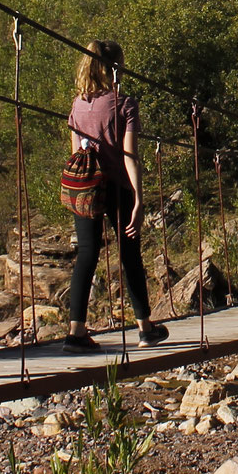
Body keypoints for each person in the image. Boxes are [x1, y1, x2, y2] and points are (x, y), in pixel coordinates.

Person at [62, 40, 167, 350]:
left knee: (86, 254)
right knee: (130, 255)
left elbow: (75, 152)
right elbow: (129, 155)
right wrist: (138, 199)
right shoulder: (124, 103)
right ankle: (145, 329)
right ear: (115, 69)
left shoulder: (77, 105)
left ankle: (75, 331)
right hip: (117, 186)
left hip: (87, 185)